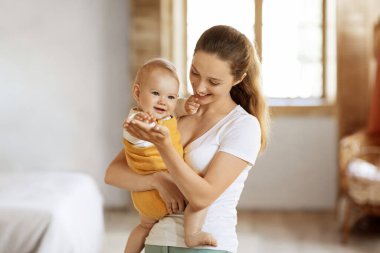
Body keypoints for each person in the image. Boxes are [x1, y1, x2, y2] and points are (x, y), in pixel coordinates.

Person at [105, 25, 269, 253]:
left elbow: (203, 196)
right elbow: (113, 174)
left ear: (238, 78)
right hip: (156, 242)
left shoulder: (243, 126)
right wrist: (157, 181)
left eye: (213, 81)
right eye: (194, 72)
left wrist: (165, 147)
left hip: (206, 246)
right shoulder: (173, 114)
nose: (199, 87)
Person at [121, 58, 216, 253]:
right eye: (155, 93)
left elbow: (175, 109)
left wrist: (186, 105)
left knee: (143, 227)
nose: (163, 102)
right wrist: (144, 124)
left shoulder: (164, 115)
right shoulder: (136, 121)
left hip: (145, 199)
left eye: (171, 97)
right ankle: (192, 234)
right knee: (201, 191)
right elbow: (135, 130)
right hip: (159, 191)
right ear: (137, 92)